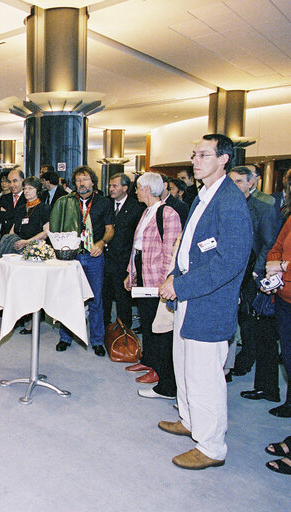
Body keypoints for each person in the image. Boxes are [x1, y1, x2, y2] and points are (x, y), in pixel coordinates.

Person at [158, 134, 252, 470]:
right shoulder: (204, 195)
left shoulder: (230, 201)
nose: (195, 160)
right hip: (188, 296)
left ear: (224, 159)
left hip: (208, 301)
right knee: (183, 364)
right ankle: (190, 420)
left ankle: (212, 446)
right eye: (194, 154)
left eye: (203, 154)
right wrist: (174, 276)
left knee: (204, 376)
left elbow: (229, 262)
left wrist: (180, 285)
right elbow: (192, 247)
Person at [123, 172, 182, 399]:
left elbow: (171, 252)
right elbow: (137, 246)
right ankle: (149, 362)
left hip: (158, 280)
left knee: (160, 328)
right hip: (143, 273)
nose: (136, 191)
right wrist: (131, 273)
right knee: (147, 322)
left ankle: (163, 376)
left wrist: (166, 282)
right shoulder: (147, 211)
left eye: (138, 188)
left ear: (147, 189)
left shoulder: (168, 213)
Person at [48, 166, 114, 356]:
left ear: (93, 182)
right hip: (72, 256)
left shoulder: (103, 203)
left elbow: (110, 229)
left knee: (95, 300)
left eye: (85, 179)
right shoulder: (66, 202)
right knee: (69, 297)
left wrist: (101, 244)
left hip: (94, 257)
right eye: (78, 180)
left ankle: (97, 340)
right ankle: (65, 337)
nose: (81, 183)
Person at [227, 167, 281, 385]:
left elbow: (268, 244)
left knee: (250, 322)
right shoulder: (226, 206)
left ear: (251, 183)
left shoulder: (264, 207)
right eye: (232, 181)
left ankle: (245, 360)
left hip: (252, 272)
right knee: (233, 317)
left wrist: (256, 272)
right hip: (231, 271)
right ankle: (229, 365)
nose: (235, 185)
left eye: (240, 181)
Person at [103, 172, 145, 328]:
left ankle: (124, 333)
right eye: (110, 185)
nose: (111, 189)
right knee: (104, 298)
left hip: (123, 262)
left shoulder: (136, 207)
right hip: (104, 259)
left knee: (122, 300)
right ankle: (104, 329)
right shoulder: (106, 203)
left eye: (115, 186)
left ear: (125, 188)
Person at [261, 204, 291, 417]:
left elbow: (279, 260)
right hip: (284, 298)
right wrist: (275, 268)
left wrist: (282, 266)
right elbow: (276, 246)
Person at [9, 176, 50, 252]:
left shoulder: (44, 208)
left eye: (30, 188)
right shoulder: (21, 209)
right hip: (18, 248)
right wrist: (14, 241)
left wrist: (26, 242)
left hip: (36, 249)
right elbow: (12, 230)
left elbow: (46, 233)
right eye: (24, 188)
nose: (26, 191)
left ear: (37, 190)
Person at [0, 169, 26, 239]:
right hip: (5, 239)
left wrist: (7, 213)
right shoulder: (4, 198)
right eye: (9, 182)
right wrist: (14, 214)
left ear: (22, 181)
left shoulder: (27, 198)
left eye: (15, 181)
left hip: (22, 239)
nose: (12, 185)